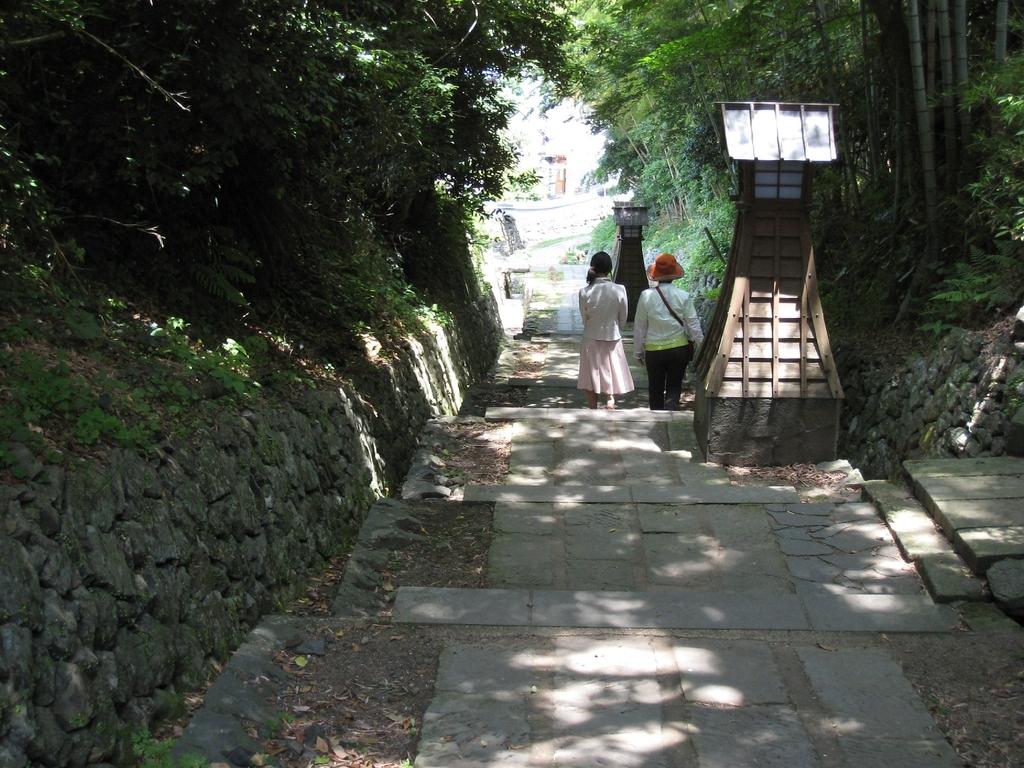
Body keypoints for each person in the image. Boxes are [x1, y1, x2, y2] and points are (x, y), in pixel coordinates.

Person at [633, 252, 704, 411]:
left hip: (653, 350)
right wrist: (702, 345)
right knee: (674, 386)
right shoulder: (683, 296)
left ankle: (657, 420)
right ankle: (670, 418)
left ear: (656, 274)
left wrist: (638, 352)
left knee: (655, 388)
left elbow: (640, 326)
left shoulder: (646, 296)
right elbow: (693, 324)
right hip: (679, 349)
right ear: (674, 274)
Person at [577, 251, 634, 409]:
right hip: (612, 336)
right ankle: (610, 401)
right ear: (610, 268)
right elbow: (623, 316)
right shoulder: (620, 289)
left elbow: (584, 319)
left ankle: (592, 407)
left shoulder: (584, 292)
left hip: (591, 336)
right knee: (612, 370)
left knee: (589, 374)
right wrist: (617, 327)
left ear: (593, 267)